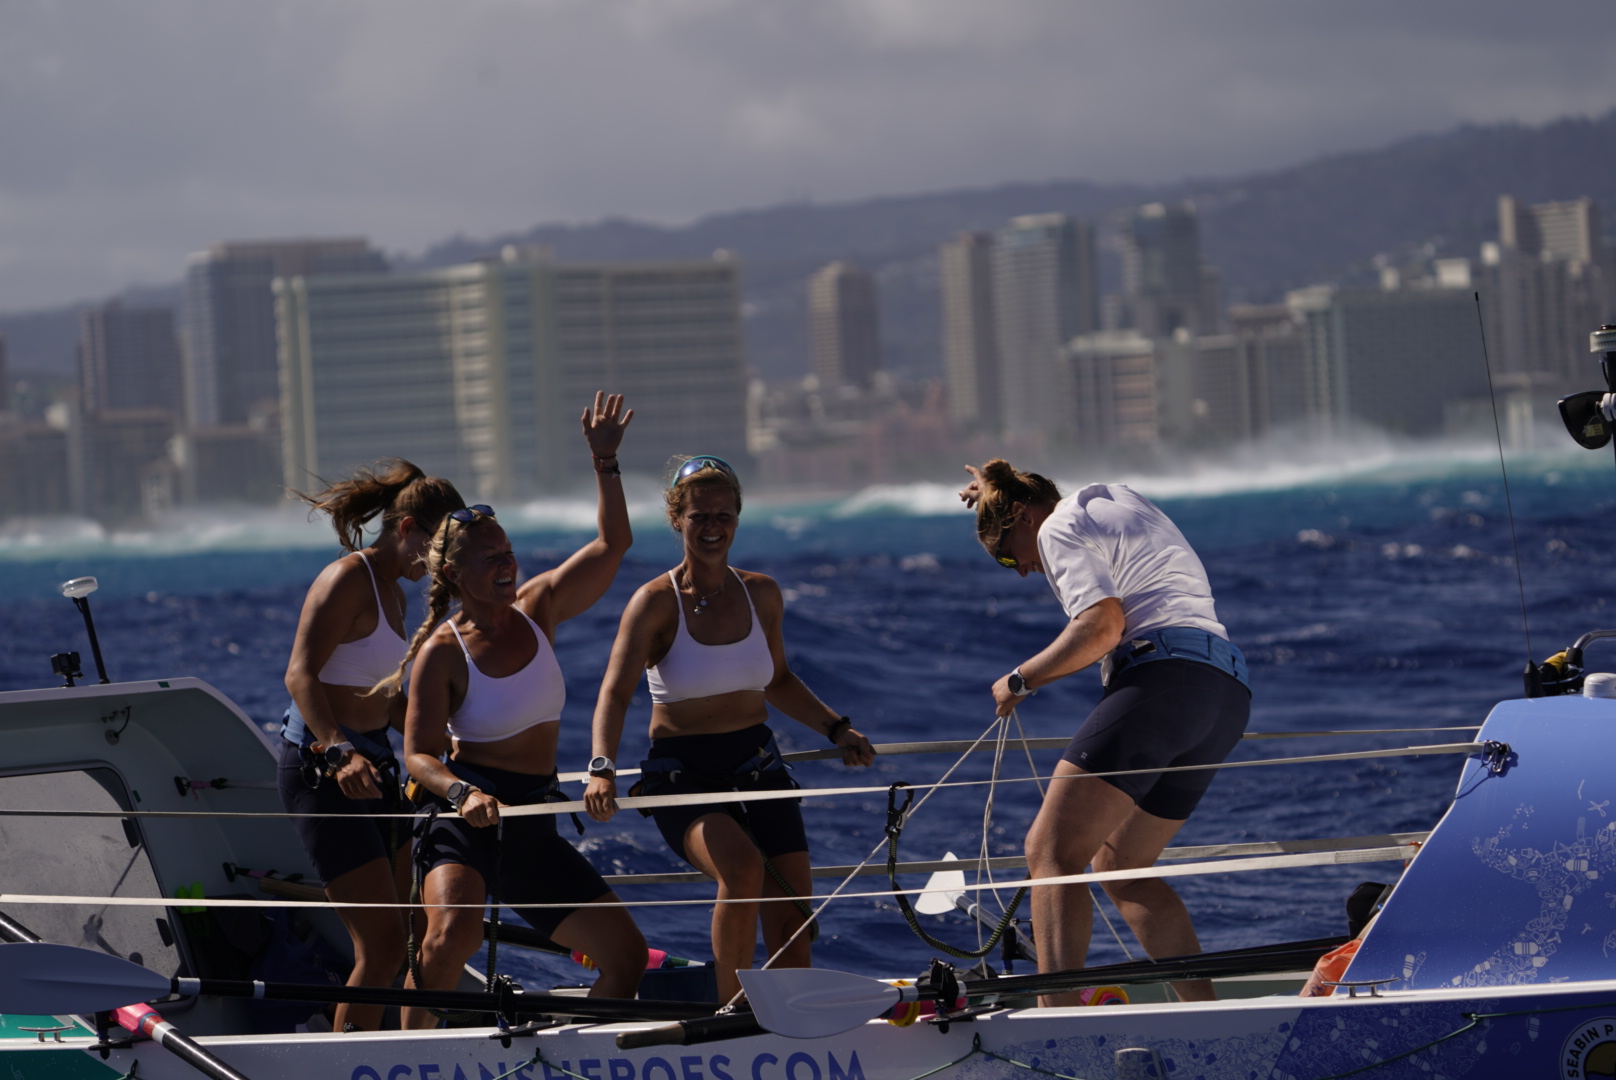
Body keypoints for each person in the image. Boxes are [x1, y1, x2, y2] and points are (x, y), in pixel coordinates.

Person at [392, 392, 645, 1026]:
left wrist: (605, 462)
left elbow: (614, 544)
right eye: (490, 559)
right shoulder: (442, 654)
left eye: (508, 553)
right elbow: (416, 754)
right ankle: (412, 1065)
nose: (507, 566)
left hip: (531, 820)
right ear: (453, 573)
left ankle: (579, 1064)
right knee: (450, 942)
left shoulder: (539, 610)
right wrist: (460, 794)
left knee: (627, 958)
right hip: (464, 817)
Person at [585, 455, 875, 1002]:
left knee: (791, 907)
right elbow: (614, 693)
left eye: (724, 515)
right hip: (684, 775)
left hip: (757, 764)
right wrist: (601, 768)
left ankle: (795, 1017)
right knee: (741, 873)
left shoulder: (761, 593)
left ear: (738, 517)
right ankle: (730, 1015)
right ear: (677, 520)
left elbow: (780, 679)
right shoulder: (653, 603)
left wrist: (836, 729)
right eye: (700, 517)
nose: (714, 527)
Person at [961, 459, 1250, 1006]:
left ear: (1024, 516)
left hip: (1165, 681)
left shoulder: (1054, 527)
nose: (1020, 569)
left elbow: (1102, 625)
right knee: (1120, 866)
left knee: (1049, 850)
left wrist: (1023, 679)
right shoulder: (1114, 497)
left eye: (1005, 554)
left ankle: (1058, 1019)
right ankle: (1207, 1013)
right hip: (1225, 692)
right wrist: (995, 490)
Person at [280, 460, 466, 1033]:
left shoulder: (396, 594)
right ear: (406, 528)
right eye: (436, 549)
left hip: (377, 766)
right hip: (323, 767)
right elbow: (300, 675)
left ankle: (413, 1055)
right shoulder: (347, 579)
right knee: (382, 946)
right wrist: (338, 750)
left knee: (415, 936)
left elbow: (387, 701)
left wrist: (445, 745)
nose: (438, 567)